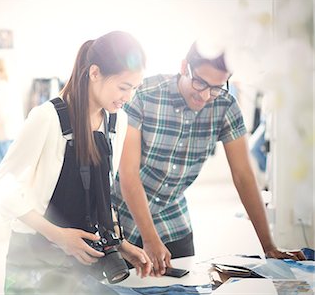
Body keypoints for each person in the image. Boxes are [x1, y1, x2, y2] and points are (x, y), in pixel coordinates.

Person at [112, 41, 306, 277]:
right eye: (200, 82)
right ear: (185, 67)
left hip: (173, 221)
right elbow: (129, 174)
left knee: (186, 288)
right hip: (123, 216)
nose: (205, 95)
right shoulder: (144, 94)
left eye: (215, 87)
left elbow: (243, 176)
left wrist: (269, 246)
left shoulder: (225, 106)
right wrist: (150, 238)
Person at [0, 31, 152, 294]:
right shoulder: (46, 118)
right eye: (124, 87)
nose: (129, 97)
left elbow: (98, 196)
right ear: (95, 72)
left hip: (83, 262)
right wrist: (58, 236)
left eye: (135, 88)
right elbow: (0, 190)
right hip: (35, 262)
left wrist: (119, 245)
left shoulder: (116, 121)